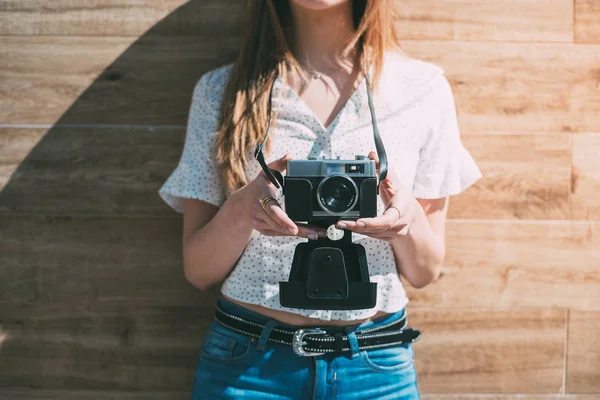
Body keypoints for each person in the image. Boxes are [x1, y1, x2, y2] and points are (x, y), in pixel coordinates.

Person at [158, 0, 483, 398]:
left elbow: (425, 270)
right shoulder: (222, 91)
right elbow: (198, 270)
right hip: (248, 366)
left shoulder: (422, 89)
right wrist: (244, 210)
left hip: (374, 365)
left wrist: (404, 218)